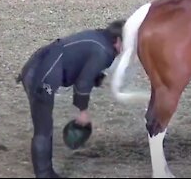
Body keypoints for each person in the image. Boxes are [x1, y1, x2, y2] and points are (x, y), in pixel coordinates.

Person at [15, 19, 126, 178]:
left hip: (39, 66)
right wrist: (83, 111)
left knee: (44, 127)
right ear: (118, 40)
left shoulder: (100, 38)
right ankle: (44, 174)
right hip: (40, 76)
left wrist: (96, 76)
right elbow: (83, 82)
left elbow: (80, 59)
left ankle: (46, 172)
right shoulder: (104, 51)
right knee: (43, 129)